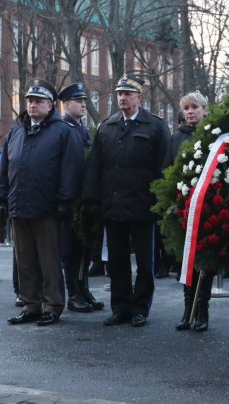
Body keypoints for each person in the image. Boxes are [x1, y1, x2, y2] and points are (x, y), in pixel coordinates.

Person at [81, 74, 171, 328]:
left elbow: (164, 167)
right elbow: (95, 167)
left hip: (143, 207)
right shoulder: (107, 127)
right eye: (119, 94)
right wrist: (93, 200)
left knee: (145, 262)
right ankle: (120, 307)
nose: (122, 98)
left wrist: (160, 203)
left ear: (139, 98)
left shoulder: (155, 126)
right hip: (114, 206)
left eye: (128, 94)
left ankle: (140, 308)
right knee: (117, 261)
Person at [0, 79, 84, 327]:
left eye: (38, 101)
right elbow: (4, 170)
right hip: (19, 206)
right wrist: (1, 200)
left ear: (50, 105)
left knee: (49, 261)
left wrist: (65, 201)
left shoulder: (63, 131)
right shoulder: (16, 132)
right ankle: (30, 304)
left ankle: (52, 306)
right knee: (25, 261)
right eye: (30, 101)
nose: (32, 105)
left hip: (48, 209)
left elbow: (71, 169)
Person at [170, 91, 215, 332]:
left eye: (194, 107)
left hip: (207, 208)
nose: (189, 112)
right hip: (182, 206)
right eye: (186, 108)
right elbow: (167, 169)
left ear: (204, 110)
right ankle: (188, 309)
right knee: (184, 262)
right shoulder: (176, 138)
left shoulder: (213, 137)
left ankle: (202, 310)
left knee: (203, 262)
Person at [57, 82, 103, 313]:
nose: (84, 104)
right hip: (69, 198)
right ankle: (73, 293)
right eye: (78, 100)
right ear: (66, 104)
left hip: (83, 198)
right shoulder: (62, 127)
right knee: (70, 250)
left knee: (84, 247)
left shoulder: (81, 128)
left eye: (85, 100)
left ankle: (84, 289)